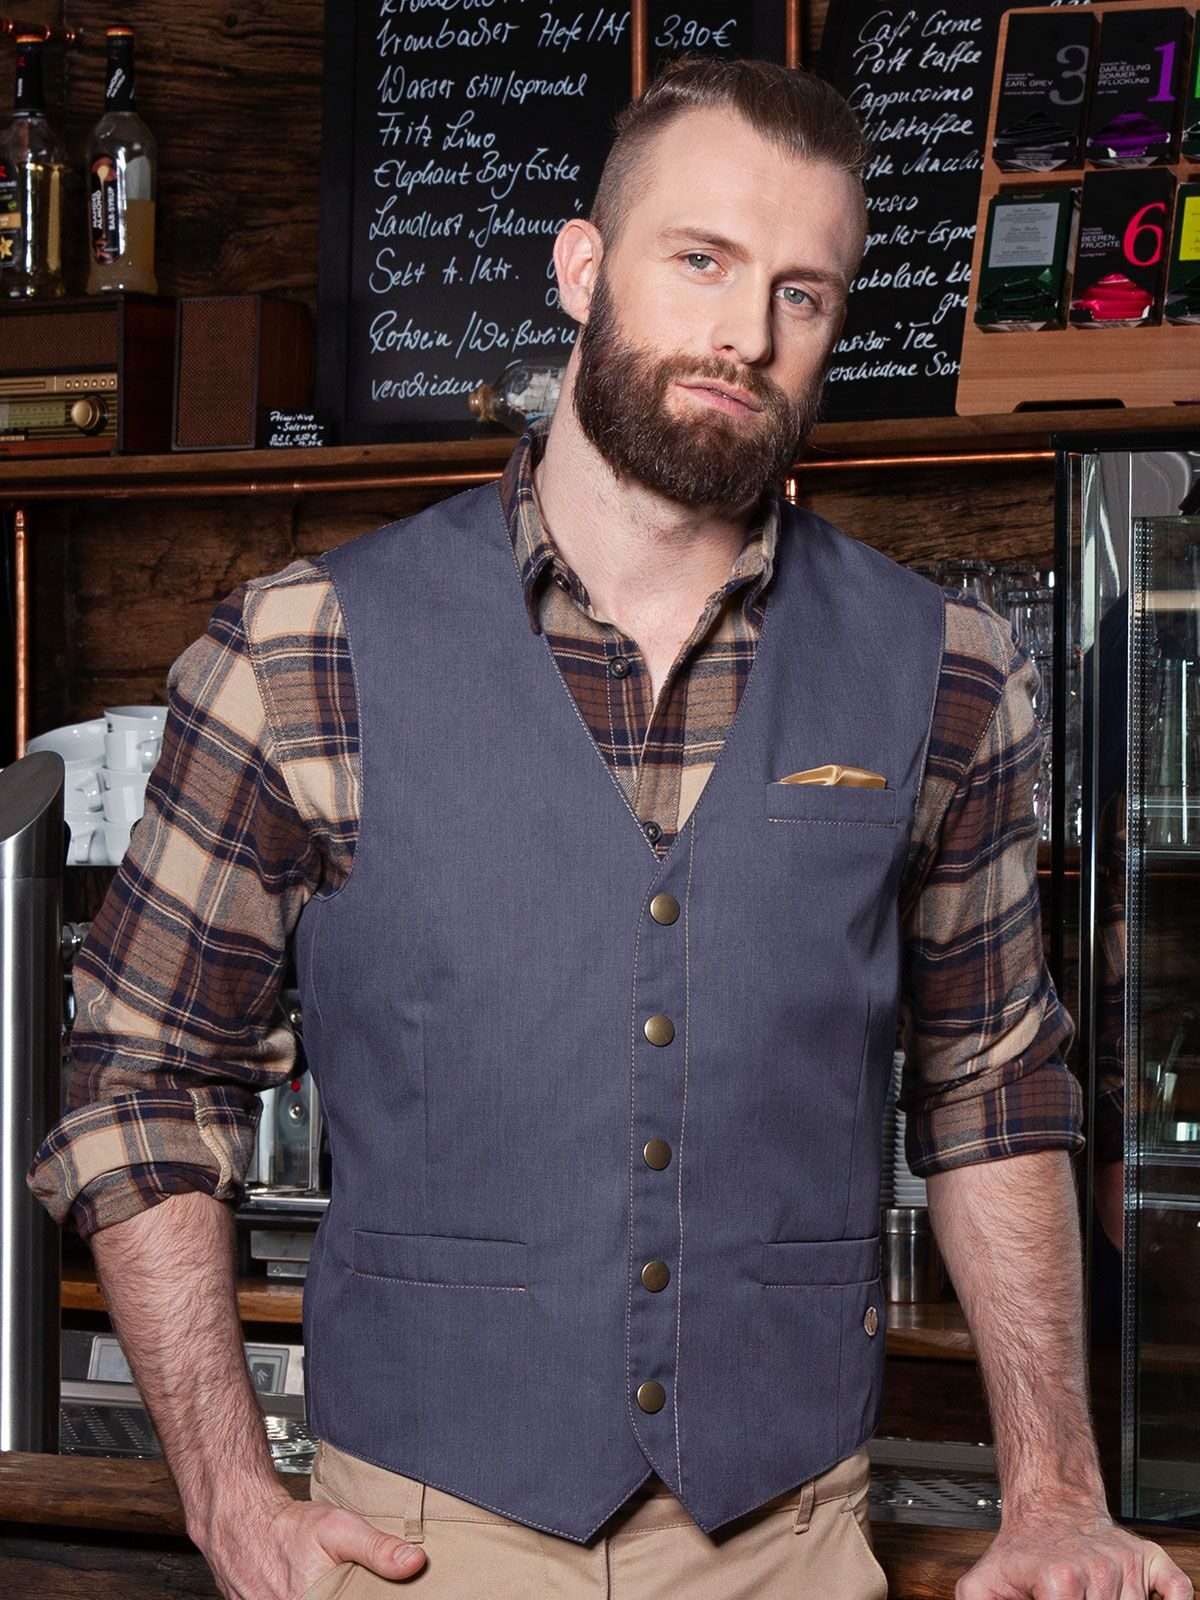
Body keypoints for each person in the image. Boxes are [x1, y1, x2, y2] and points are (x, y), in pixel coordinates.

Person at [28, 54, 1193, 1600]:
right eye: (700, 259)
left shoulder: (949, 671)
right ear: (582, 268)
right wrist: (230, 1497)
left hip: (788, 1545)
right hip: (416, 1543)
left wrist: (1053, 1492)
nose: (745, 333)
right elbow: (139, 1081)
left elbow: (995, 1094)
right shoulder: (301, 652)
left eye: (801, 293)